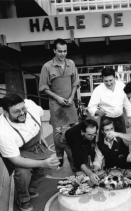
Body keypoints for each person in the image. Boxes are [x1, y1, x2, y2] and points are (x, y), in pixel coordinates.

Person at [0, 94, 60, 211]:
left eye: (23, 109)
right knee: (23, 173)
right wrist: (43, 163)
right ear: (5, 112)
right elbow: (16, 159)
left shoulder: (30, 105)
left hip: (34, 144)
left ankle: (31, 189)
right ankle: (23, 199)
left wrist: (40, 135)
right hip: (18, 152)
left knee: (45, 168)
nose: (22, 113)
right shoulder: (2, 131)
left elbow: (39, 118)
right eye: (16, 111)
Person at [39, 38, 79, 169]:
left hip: (70, 103)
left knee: (74, 131)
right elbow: (43, 87)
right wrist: (58, 98)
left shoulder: (71, 63)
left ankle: (75, 161)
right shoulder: (47, 66)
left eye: (65, 51)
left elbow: (75, 83)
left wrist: (72, 97)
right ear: (54, 51)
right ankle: (60, 157)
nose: (63, 54)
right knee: (58, 133)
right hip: (56, 105)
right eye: (60, 51)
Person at [87, 67, 131, 134]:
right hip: (106, 120)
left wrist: (129, 117)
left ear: (114, 78)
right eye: (106, 81)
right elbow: (90, 106)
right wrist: (97, 111)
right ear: (102, 79)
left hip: (120, 118)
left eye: (111, 80)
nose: (108, 83)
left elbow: (127, 102)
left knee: (122, 141)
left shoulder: (122, 86)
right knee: (106, 142)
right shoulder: (98, 90)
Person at [64, 118, 100, 185]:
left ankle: (87, 169)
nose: (92, 137)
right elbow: (77, 158)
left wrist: (95, 163)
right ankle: (77, 172)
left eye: (94, 134)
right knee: (77, 164)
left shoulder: (91, 131)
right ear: (82, 132)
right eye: (90, 134)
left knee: (88, 151)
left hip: (83, 136)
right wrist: (90, 173)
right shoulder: (75, 137)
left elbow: (92, 148)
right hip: (68, 139)